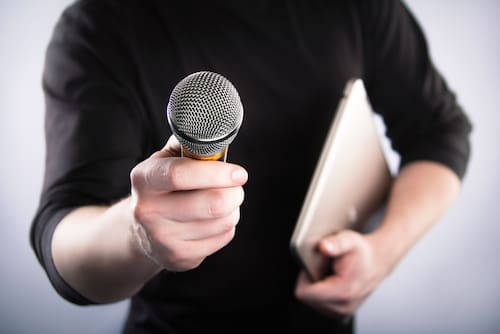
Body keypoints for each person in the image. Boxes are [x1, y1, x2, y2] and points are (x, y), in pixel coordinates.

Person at [30, 0, 472, 333]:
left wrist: (384, 252)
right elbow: (63, 239)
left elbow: (440, 131)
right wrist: (138, 234)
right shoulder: (99, 26)